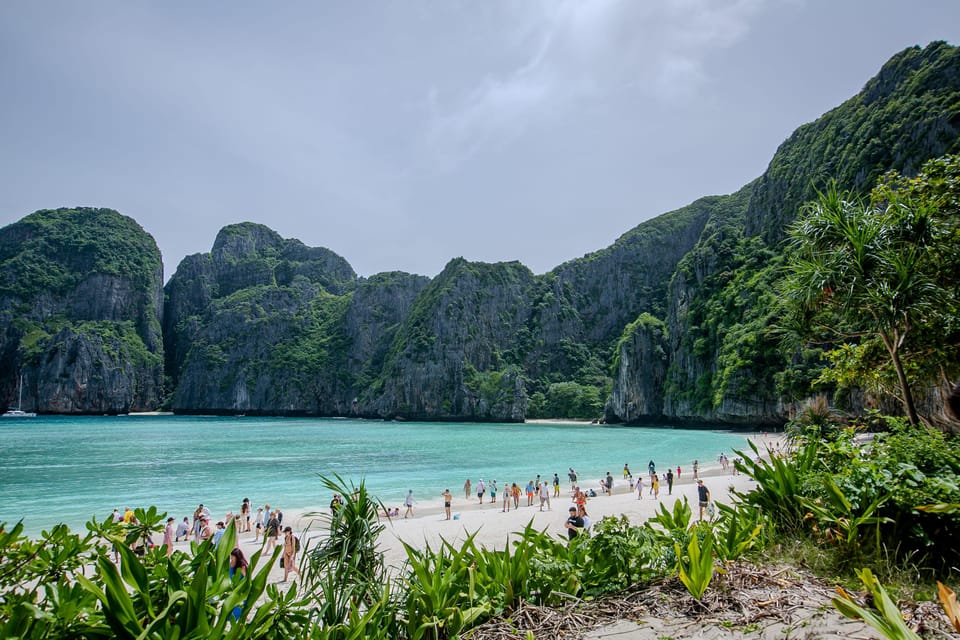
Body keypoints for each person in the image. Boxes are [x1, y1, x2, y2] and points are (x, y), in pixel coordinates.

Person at [228, 547, 248, 622]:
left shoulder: (242, 566)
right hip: (234, 589)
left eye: (232, 557)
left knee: (238, 608)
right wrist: (231, 566)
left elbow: (247, 578)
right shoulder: (232, 565)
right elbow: (229, 576)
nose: (231, 558)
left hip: (241, 590)